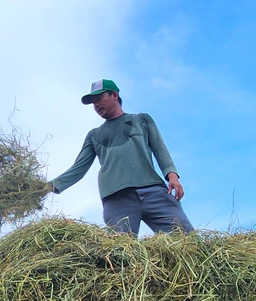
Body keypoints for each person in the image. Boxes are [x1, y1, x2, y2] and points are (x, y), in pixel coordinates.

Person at [47, 79, 194, 236]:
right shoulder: (94, 135)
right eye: (93, 103)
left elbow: (160, 149)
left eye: (99, 99)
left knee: (187, 239)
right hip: (116, 199)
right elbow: (79, 168)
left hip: (153, 191)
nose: (96, 105)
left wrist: (172, 175)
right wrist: (48, 187)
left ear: (114, 95)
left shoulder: (141, 120)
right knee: (120, 252)